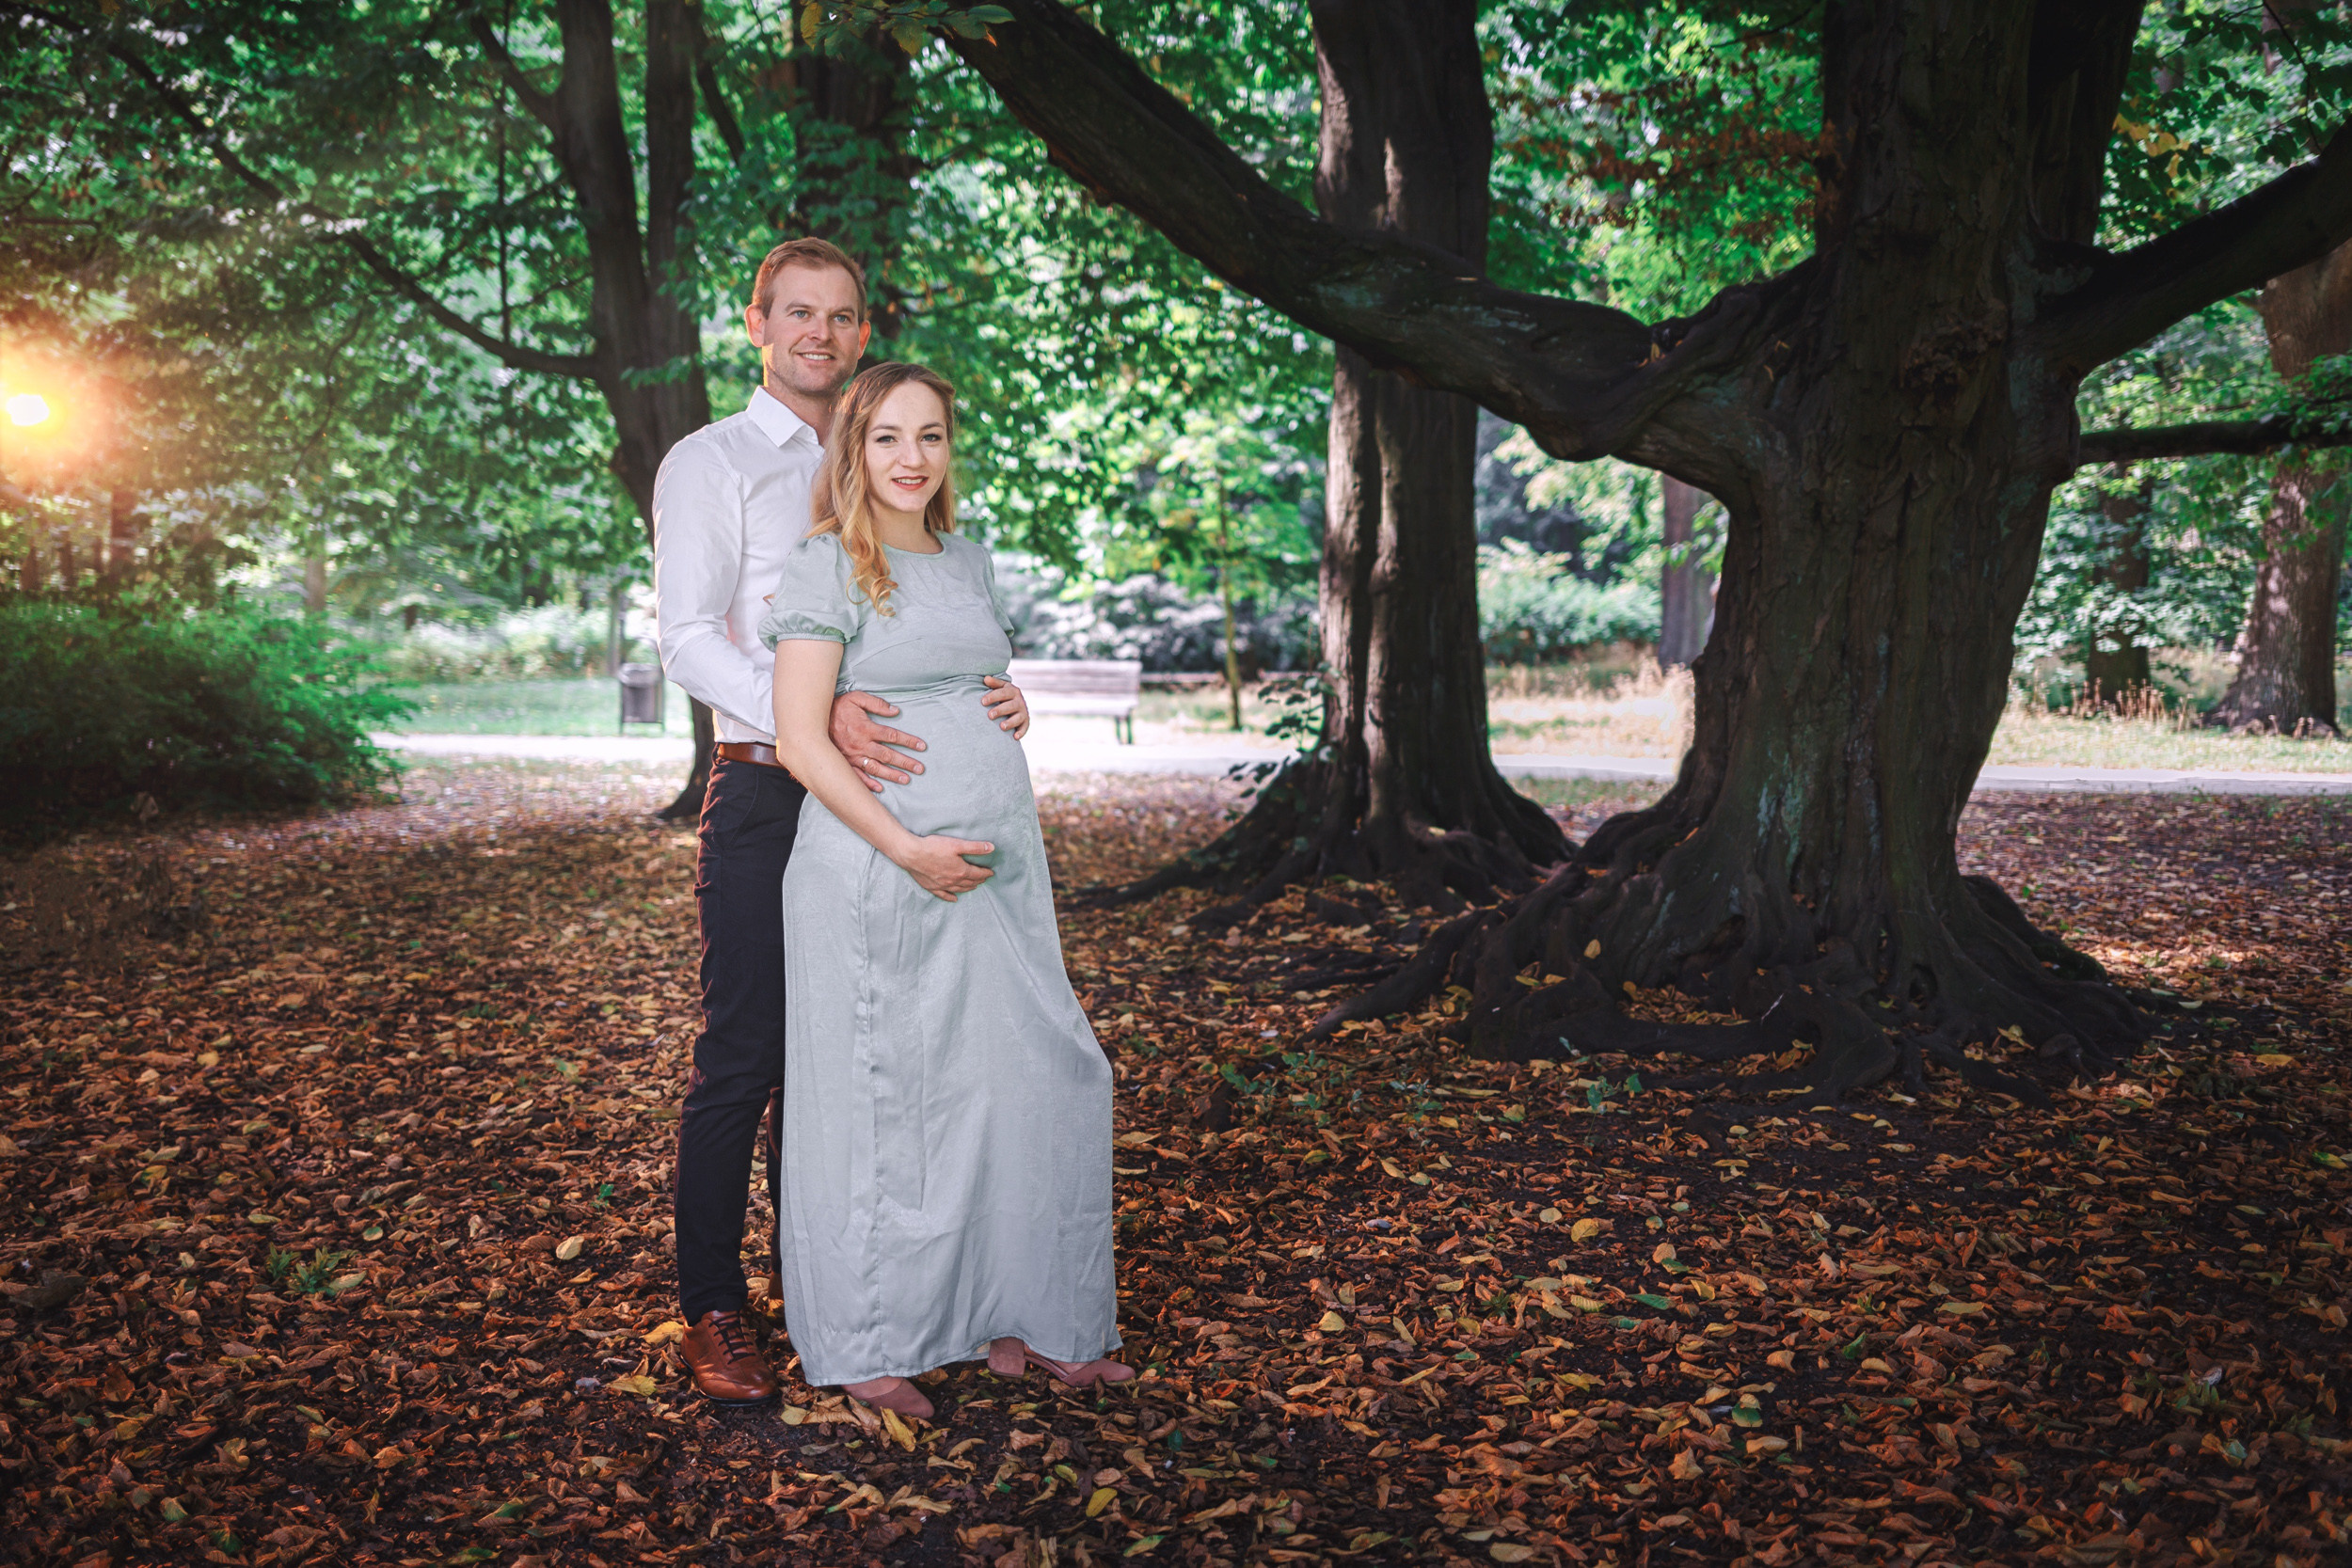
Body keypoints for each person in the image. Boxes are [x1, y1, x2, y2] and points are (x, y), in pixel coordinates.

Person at [653, 240, 1031, 1405]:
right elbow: (686, 633)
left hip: (906, 801)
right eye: (797, 313)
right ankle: (714, 1301)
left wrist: (995, 693)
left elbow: (932, 622)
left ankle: (851, 1288)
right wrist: (805, 708)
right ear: (756, 322)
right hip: (774, 786)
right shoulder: (711, 462)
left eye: (843, 314)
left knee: (873, 1056)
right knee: (750, 1051)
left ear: (865, 333)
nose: (820, 332)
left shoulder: (892, 454)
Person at [761, 362, 1130, 1418]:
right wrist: (904, 848)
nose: (911, 457)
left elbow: (956, 671)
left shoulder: (964, 558)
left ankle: (1019, 1308)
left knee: (1021, 1075)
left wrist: (1003, 698)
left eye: (930, 435)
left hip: (998, 870)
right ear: (853, 451)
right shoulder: (827, 563)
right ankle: (868, 1338)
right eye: (886, 437)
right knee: (887, 1101)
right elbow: (798, 737)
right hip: (878, 870)